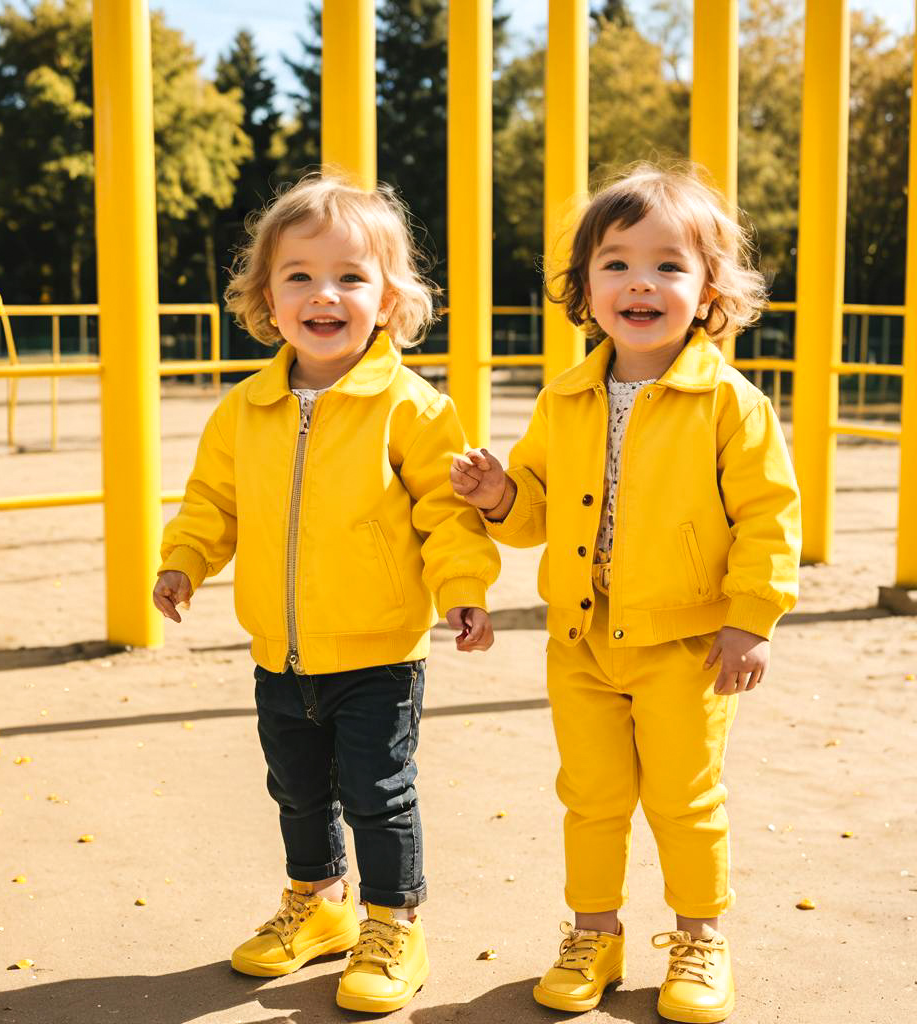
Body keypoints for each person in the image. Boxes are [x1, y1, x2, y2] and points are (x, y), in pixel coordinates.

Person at [451, 162, 801, 1022]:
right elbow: (533, 507)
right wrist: (499, 496)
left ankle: (699, 937)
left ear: (710, 290)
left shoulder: (729, 403)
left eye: (668, 265)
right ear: (584, 288)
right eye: (616, 263)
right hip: (580, 642)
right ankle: (594, 933)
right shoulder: (566, 396)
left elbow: (768, 517)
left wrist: (750, 620)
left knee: (685, 798)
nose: (640, 281)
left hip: (685, 645)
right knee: (592, 795)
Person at [154, 173, 499, 1014]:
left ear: (389, 298)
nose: (324, 294)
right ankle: (319, 903)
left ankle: (394, 922)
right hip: (281, 651)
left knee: (379, 795)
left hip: (379, 650)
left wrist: (463, 587)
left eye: (351, 276)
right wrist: (184, 561)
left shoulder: (413, 410)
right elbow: (211, 504)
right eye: (299, 275)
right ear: (267, 297)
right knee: (297, 789)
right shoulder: (246, 410)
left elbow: (449, 517)